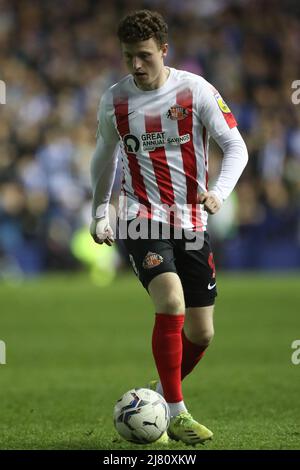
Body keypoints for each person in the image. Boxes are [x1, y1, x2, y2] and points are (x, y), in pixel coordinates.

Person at [90, 9, 248, 445]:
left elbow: (236, 147)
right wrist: (100, 211)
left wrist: (218, 192)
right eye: (128, 57)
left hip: (192, 220)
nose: (136, 66)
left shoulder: (195, 91)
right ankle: (177, 414)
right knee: (171, 301)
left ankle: (159, 398)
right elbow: (105, 157)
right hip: (143, 217)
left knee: (202, 333)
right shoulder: (115, 100)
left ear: (164, 50)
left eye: (144, 56)